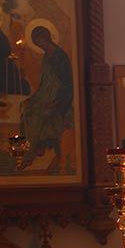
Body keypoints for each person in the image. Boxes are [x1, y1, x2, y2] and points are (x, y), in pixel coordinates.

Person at [19, 26, 73, 172]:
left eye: (40, 40)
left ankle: (32, 153)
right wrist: (34, 98)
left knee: (37, 115)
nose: (40, 44)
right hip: (45, 94)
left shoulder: (60, 56)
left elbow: (67, 82)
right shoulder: (46, 56)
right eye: (36, 42)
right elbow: (44, 82)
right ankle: (33, 147)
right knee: (25, 108)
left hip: (60, 96)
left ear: (47, 37)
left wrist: (57, 101)